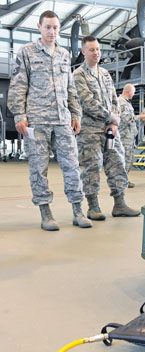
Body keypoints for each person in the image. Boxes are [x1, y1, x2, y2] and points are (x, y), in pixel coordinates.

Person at [7, 10, 92, 231]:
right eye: (48, 27)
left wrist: (76, 114)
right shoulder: (26, 53)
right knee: (39, 167)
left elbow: (70, 88)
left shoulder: (64, 55)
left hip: (62, 119)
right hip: (37, 120)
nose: (52, 31)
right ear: (39, 27)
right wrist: (20, 115)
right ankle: (45, 212)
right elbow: (18, 86)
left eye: (55, 27)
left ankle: (78, 210)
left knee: (72, 165)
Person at [73, 36, 139, 220]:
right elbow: (87, 102)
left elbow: (113, 100)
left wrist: (114, 121)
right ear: (83, 52)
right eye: (92, 49)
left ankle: (120, 204)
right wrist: (111, 117)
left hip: (110, 130)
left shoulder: (105, 74)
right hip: (90, 132)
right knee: (91, 168)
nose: (96, 53)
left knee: (117, 163)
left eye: (98, 49)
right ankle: (93, 207)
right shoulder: (78, 75)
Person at [118, 83, 139, 187]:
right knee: (124, 159)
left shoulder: (126, 102)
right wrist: (140, 117)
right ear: (129, 91)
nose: (133, 95)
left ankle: (124, 180)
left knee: (128, 159)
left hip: (129, 136)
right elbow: (126, 119)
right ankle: (121, 181)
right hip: (124, 136)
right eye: (133, 93)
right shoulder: (121, 102)